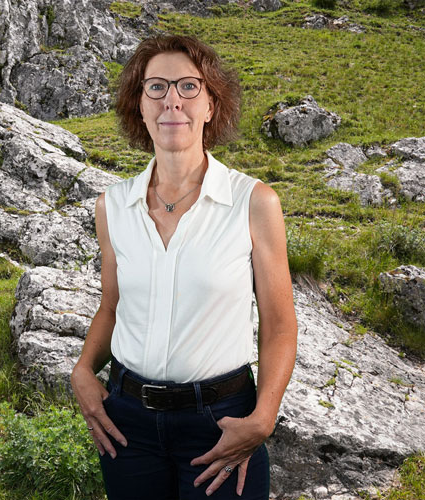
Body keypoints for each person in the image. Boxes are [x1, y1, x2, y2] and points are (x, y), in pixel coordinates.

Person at [71, 34, 297, 500]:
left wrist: (263, 417)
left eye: (189, 87)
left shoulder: (253, 202)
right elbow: (112, 308)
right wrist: (82, 370)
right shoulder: (112, 205)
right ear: (139, 106)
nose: (172, 100)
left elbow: (278, 325)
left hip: (221, 423)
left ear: (212, 105)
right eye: (156, 87)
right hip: (128, 423)